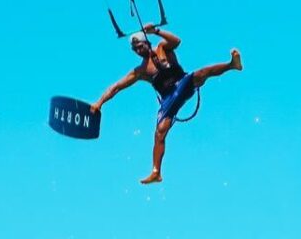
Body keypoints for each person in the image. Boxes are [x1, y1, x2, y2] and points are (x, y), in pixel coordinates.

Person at [93, 24, 242, 184]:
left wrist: (156, 31)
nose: (138, 50)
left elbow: (177, 41)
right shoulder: (141, 71)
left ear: (147, 42)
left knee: (201, 73)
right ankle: (156, 172)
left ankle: (232, 65)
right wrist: (99, 103)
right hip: (168, 99)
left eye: (140, 46)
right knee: (160, 131)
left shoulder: (163, 48)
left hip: (183, 83)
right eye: (134, 49)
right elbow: (116, 87)